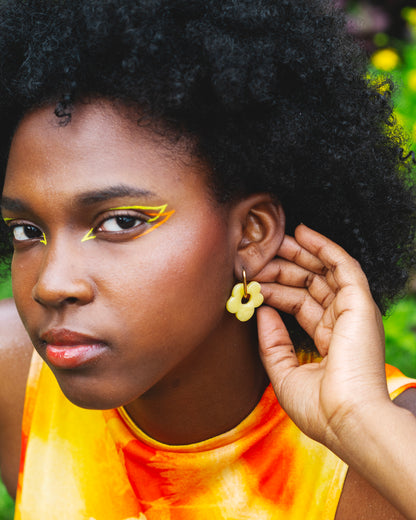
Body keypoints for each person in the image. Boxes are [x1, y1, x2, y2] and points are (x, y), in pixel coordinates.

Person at [0, 0, 415, 518]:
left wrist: (360, 421)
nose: (51, 284)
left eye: (121, 222)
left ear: (251, 234)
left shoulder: (385, 451)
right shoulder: (15, 373)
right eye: (26, 230)